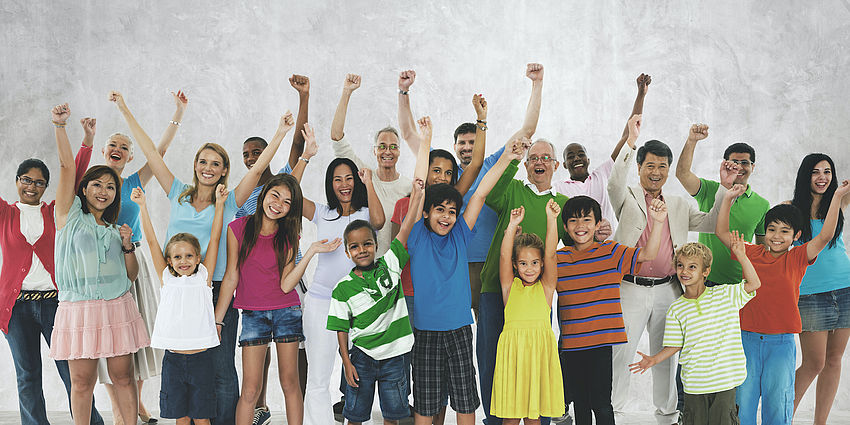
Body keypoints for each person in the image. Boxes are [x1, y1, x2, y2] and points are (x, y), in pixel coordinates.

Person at [110, 91, 296, 425]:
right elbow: (152, 153)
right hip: (179, 289)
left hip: (216, 289)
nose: (208, 168)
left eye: (215, 163)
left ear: (224, 170)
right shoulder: (177, 192)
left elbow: (257, 172)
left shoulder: (231, 199)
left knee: (222, 367)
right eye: (203, 161)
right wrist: (125, 108)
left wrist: (280, 132)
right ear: (195, 165)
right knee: (184, 367)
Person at [607, 117, 734, 425]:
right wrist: (631, 140)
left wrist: (724, 188)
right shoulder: (627, 197)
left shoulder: (677, 203)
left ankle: (667, 414)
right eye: (650, 166)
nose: (657, 172)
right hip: (631, 287)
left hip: (668, 289)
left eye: (663, 166)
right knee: (621, 353)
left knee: (667, 354)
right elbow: (613, 182)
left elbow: (708, 221)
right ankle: (613, 412)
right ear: (639, 168)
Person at [397, 64, 544, 321]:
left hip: (489, 262)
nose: (467, 147)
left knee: (490, 334)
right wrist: (404, 93)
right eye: (462, 143)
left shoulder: (488, 167)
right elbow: (409, 135)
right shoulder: (442, 183)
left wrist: (537, 84)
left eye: (472, 142)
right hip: (453, 263)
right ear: (454, 146)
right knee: (449, 322)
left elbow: (526, 131)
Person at [76, 89, 187, 425]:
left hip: (132, 263)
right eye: (114, 145)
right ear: (104, 152)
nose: (119, 150)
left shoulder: (135, 180)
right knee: (109, 338)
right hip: (101, 268)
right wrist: (86, 136)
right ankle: (118, 409)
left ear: (128, 157)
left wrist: (178, 111)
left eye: (125, 147)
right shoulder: (92, 185)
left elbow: (160, 151)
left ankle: (136, 402)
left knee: (134, 337)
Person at [406, 117, 519, 425]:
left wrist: (507, 158)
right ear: (427, 212)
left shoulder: (459, 233)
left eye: (452, 211)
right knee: (426, 405)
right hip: (426, 333)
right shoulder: (416, 237)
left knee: (465, 402)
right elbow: (419, 191)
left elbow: (480, 192)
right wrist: (426, 139)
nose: (446, 216)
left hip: (458, 331)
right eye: (439, 210)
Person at [715, 180, 850, 425]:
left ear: (796, 236)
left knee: (778, 401)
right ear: (765, 232)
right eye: (772, 229)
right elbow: (722, 233)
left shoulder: (799, 257)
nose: (777, 236)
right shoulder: (751, 254)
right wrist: (727, 199)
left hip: (781, 343)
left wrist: (838, 196)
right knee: (743, 400)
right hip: (747, 339)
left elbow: (826, 235)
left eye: (785, 231)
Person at [48, 102, 150, 425]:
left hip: (117, 306)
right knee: (82, 382)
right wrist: (61, 127)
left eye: (110, 187)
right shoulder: (68, 216)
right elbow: (67, 168)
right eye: (96, 184)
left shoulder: (113, 229)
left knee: (124, 378)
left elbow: (130, 275)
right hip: (78, 309)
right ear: (84, 188)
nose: (103, 192)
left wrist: (127, 246)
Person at [216, 172, 339, 425]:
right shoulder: (237, 228)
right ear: (264, 193)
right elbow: (230, 277)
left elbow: (286, 285)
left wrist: (311, 251)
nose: (278, 204)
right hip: (252, 314)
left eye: (287, 202)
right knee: (250, 389)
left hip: (287, 311)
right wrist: (217, 321)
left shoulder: (289, 235)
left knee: (290, 382)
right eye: (275, 196)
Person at [1, 131, 104, 424]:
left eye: (39, 182)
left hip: (56, 306)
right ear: (17, 181)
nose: (32, 186)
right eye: (26, 180)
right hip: (16, 308)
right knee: (28, 376)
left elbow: (73, 175)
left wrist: (86, 142)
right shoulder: (5, 213)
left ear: (47, 187)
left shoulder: (54, 211)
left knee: (74, 374)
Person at [291, 124, 385, 425]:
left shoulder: (366, 213)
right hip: (321, 302)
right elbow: (290, 194)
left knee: (361, 375)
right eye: (337, 179)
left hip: (360, 307)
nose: (343, 184)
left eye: (348, 178)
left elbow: (381, 222)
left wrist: (368, 181)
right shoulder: (322, 212)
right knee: (318, 378)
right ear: (330, 184)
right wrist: (306, 157)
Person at [478, 126, 568, 425]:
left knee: (535, 360)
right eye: (533, 157)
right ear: (528, 164)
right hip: (498, 288)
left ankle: (537, 417)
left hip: (537, 299)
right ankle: (496, 420)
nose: (539, 161)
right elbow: (489, 192)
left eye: (546, 157)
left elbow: (577, 236)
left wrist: (601, 230)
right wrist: (513, 158)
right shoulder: (514, 189)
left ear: (556, 165)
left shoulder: (562, 205)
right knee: (495, 360)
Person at [235, 74, 310, 425]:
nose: (252, 158)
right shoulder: (244, 205)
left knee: (291, 374)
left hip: (283, 291)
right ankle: (259, 408)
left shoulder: (279, 184)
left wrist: (302, 100)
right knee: (252, 376)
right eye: (247, 155)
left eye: (257, 152)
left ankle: (272, 409)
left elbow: (296, 152)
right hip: (253, 297)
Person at [556, 192, 667, 425]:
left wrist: (657, 222)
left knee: (602, 404)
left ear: (598, 224)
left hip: (600, 344)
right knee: (581, 405)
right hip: (572, 345)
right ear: (565, 227)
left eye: (587, 219)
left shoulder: (612, 252)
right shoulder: (559, 259)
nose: (580, 226)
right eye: (573, 221)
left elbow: (648, 254)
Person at [629, 236, 761, 425]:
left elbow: (754, 284)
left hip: (724, 380)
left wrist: (742, 256)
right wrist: (653, 359)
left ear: (705, 271)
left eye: (692, 266)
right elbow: (674, 344)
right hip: (694, 384)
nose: (685, 271)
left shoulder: (724, 294)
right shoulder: (677, 308)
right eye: (681, 265)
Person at [326, 178, 422, 425]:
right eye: (355, 246)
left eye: (367, 243)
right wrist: (347, 362)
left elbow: (406, 227)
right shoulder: (342, 289)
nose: (362, 250)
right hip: (362, 357)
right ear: (347, 252)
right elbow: (340, 328)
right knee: (355, 415)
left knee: (393, 415)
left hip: (395, 357)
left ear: (376, 245)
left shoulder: (391, 263)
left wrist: (418, 198)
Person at [131, 184, 226, 424]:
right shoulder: (166, 278)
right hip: (173, 361)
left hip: (201, 360)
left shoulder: (203, 277)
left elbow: (214, 239)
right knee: (180, 418)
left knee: (202, 417)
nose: (183, 260)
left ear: (197, 258)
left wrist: (220, 204)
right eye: (177, 256)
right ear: (170, 261)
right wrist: (142, 206)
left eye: (189, 256)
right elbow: (152, 242)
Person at [554, 73, 652, 242]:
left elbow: (627, 135)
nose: (577, 158)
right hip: (578, 252)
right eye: (570, 156)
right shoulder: (558, 188)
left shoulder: (602, 175)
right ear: (564, 164)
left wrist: (641, 94)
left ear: (588, 160)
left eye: (581, 154)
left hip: (608, 249)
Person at [491, 202, 565, 424]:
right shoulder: (509, 287)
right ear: (515, 265)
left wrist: (551, 220)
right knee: (511, 418)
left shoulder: (546, 288)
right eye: (523, 263)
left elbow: (551, 254)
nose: (529, 268)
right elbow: (504, 257)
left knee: (534, 417)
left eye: (534, 262)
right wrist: (512, 225)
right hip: (512, 355)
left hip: (538, 354)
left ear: (542, 264)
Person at [791, 154, 850, 425]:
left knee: (834, 360)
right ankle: (780, 418)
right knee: (814, 363)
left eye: (827, 171)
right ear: (806, 176)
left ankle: (820, 422)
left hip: (846, 288)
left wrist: (839, 196)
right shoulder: (791, 210)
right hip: (810, 295)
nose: (822, 177)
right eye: (815, 172)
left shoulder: (838, 202)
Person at [675, 123, 770, 285]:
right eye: (734, 162)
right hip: (704, 280)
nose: (739, 167)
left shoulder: (762, 205)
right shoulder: (709, 190)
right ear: (725, 163)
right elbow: (682, 174)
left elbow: (763, 251)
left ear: (753, 167)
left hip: (740, 284)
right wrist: (692, 141)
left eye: (745, 163)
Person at [332, 73, 410, 258]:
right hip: (366, 267)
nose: (387, 151)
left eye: (393, 147)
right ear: (374, 151)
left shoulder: (408, 186)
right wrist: (346, 93)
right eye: (382, 146)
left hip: (397, 269)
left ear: (399, 151)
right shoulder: (364, 175)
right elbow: (336, 137)